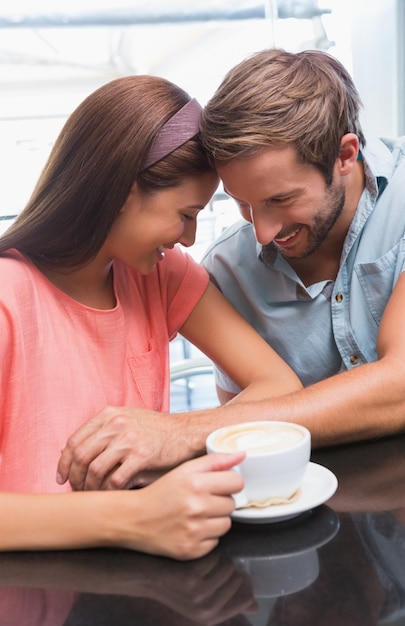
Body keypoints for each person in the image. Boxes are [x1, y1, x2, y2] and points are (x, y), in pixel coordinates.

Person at [0, 73, 303, 560]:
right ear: (121, 190)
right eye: (185, 213)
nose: (188, 238)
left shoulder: (162, 276)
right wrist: (137, 518)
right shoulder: (8, 297)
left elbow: (280, 386)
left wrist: (175, 436)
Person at [197, 47, 405, 445]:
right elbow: (246, 452)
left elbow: (403, 384)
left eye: (280, 200)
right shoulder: (226, 271)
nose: (262, 233)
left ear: (344, 155)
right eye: (242, 202)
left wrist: (186, 431)